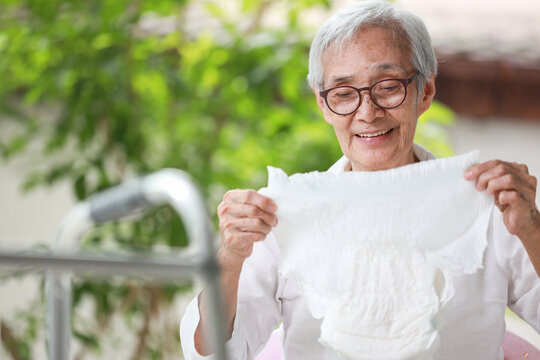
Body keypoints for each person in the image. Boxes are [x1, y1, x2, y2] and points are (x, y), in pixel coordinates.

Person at [180, 1, 540, 359]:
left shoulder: (490, 207)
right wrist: (231, 256)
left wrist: (532, 230)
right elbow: (211, 353)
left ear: (425, 91)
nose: (367, 113)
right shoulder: (281, 215)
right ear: (323, 106)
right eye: (343, 93)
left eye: (388, 86)